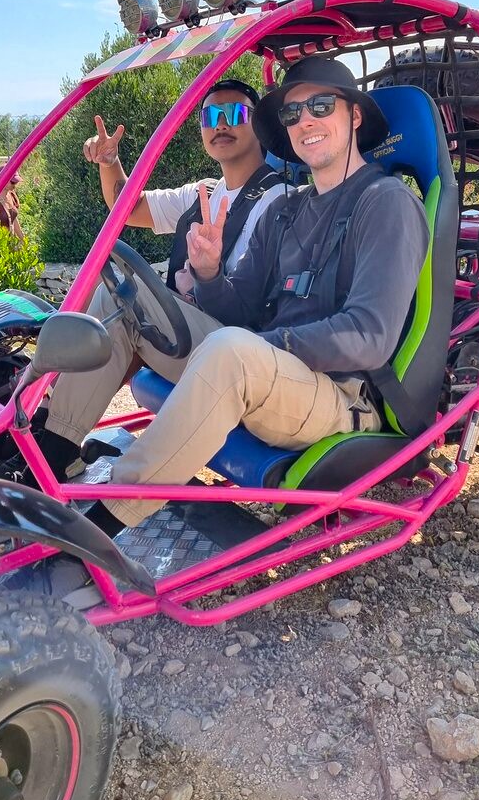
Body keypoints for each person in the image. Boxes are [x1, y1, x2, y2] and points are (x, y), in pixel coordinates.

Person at [37, 57, 429, 537]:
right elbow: (236, 309)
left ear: (355, 115)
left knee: (233, 351)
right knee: (124, 296)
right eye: (292, 113)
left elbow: (369, 337)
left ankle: (105, 521)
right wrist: (209, 273)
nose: (305, 120)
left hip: (338, 394)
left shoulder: (386, 202)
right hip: (266, 370)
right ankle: (48, 455)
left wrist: (270, 346)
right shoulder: (286, 209)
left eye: (321, 106)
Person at [82, 78, 284, 300]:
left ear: (259, 124)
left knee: (111, 297)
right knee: (95, 281)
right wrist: (110, 163)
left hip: (231, 328)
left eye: (236, 113)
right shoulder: (202, 195)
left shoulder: (278, 200)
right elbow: (130, 208)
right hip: (190, 321)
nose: (220, 124)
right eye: (210, 117)